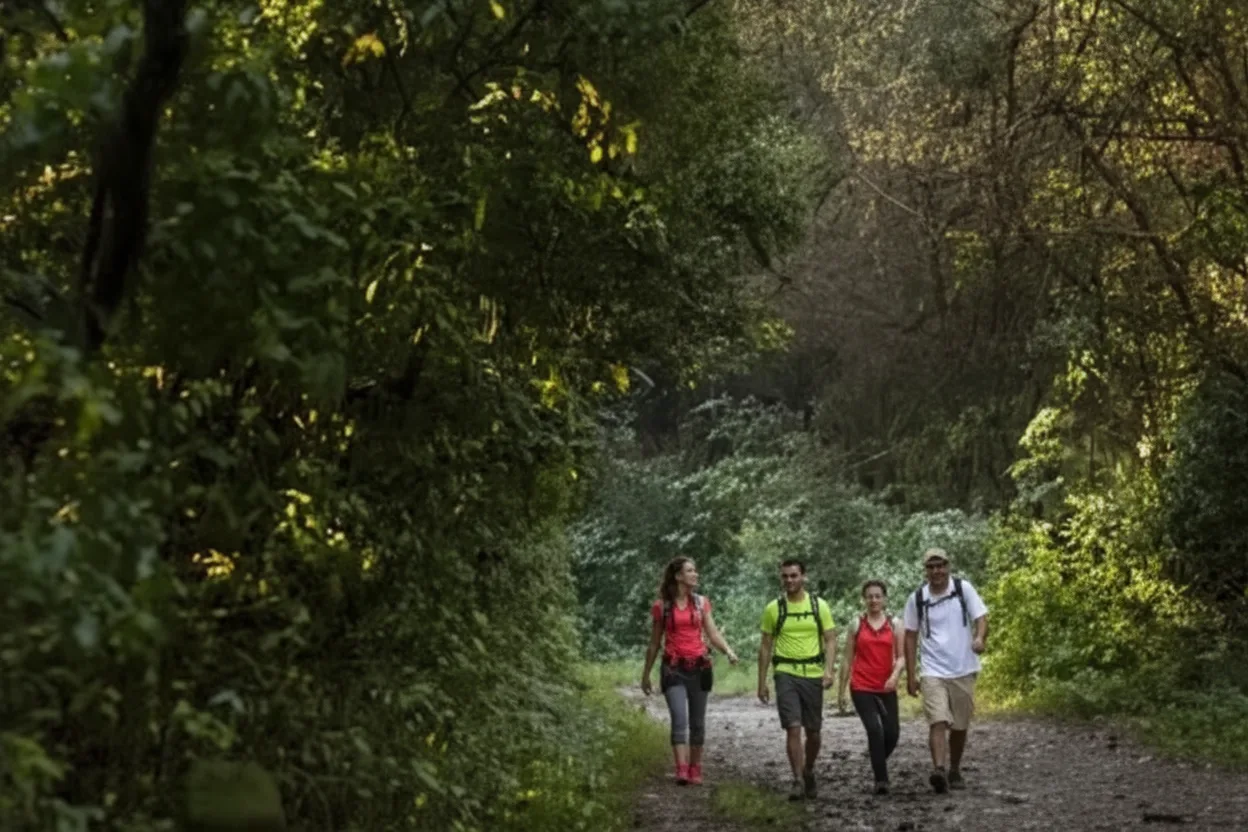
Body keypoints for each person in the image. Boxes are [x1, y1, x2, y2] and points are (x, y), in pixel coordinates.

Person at [641, 556, 739, 786]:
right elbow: (654, 643)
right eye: (690, 571)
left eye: (695, 570)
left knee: (697, 722)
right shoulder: (662, 607)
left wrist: (728, 651)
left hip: (699, 667)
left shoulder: (701, 603)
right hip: (673, 668)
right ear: (678, 576)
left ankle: (695, 767)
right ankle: (682, 769)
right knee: (679, 718)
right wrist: (646, 675)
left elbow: (713, 633)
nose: (696, 574)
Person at [903, 548, 989, 794]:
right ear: (925, 571)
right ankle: (939, 770)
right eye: (931, 567)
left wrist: (979, 638)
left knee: (960, 726)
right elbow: (910, 636)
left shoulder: (963, 589)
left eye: (940, 566)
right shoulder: (917, 598)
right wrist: (911, 675)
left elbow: (981, 617)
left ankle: (954, 769)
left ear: (948, 566)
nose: (936, 571)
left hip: (963, 668)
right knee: (938, 720)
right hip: (932, 670)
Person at [757, 559, 837, 801]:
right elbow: (765, 646)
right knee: (792, 726)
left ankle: (808, 769)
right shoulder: (774, 608)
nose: (789, 580)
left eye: (794, 575)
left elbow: (830, 638)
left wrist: (829, 670)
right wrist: (762, 681)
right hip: (785, 673)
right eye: (785, 576)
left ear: (803, 576)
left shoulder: (819, 606)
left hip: (812, 673)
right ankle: (797, 780)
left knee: (813, 732)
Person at [837, 580, 905, 794]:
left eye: (878, 596)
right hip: (861, 685)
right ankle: (881, 780)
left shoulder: (895, 624)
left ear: (884, 599)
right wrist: (841, 691)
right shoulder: (857, 624)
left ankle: (876, 759)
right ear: (864, 599)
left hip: (886, 686)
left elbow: (902, 657)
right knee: (875, 730)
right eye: (870, 596)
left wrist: (895, 676)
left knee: (892, 734)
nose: (874, 600)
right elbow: (847, 658)